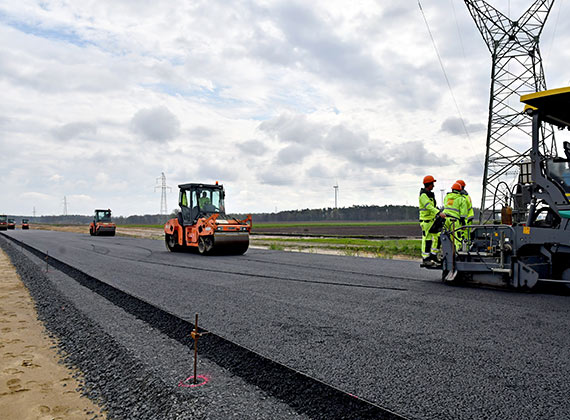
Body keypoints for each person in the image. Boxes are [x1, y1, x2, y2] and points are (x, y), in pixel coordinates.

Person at [419, 175, 446, 267]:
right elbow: (429, 207)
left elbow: (433, 207)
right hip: (426, 221)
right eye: (432, 184)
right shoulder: (423, 195)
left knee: (437, 237)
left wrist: (440, 212)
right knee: (427, 240)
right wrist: (438, 213)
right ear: (428, 184)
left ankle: (433, 255)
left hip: (432, 220)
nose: (433, 186)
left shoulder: (429, 195)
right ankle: (426, 259)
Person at [443, 182, 469, 250]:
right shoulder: (461, 199)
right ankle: (457, 254)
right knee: (457, 238)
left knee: (446, 238)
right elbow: (463, 213)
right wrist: (463, 222)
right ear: (460, 190)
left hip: (445, 219)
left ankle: (447, 253)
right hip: (454, 220)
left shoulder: (447, 197)